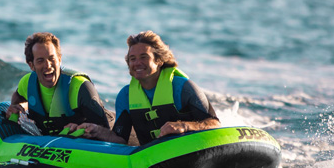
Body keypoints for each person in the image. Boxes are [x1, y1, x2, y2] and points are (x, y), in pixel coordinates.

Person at [68, 31, 220, 145]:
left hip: (190, 151)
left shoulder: (183, 88)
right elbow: (120, 139)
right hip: (151, 160)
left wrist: (184, 126)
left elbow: (215, 124)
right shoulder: (125, 96)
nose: (137, 63)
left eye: (144, 57)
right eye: (132, 59)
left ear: (159, 60)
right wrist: (97, 130)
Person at [4, 32, 111, 136]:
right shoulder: (27, 84)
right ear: (31, 65)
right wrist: (17, 108)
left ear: (59, 59)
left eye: (52, 59)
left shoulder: (80, 87)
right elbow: (18, 99)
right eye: (41, 60)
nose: (48, 65)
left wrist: (82, 129)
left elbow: (105, 132)